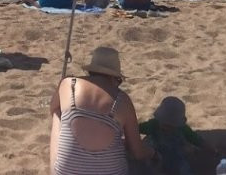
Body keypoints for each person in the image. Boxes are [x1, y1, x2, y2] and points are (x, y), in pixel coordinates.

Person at [50, 46, 157, 174]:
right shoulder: (121, 99)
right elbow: (137, 152)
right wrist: (152, 152)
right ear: (114, 77)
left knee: (58, 113)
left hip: (66, 172)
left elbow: (53, 109)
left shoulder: (69, 84)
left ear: (91, 71)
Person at [139, 96, 217, 175]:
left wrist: (211, 149)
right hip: (157, 159)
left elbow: (196, 139)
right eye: (164, 124)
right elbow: (135, 128)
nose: (167, 128)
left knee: (183, 169)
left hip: (178, 161)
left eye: (171, 126)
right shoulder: (153, 125)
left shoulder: (183, 129)